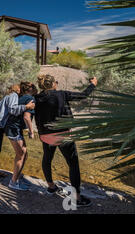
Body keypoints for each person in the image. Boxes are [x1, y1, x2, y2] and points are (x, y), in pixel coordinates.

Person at [35, 74, 97, 208]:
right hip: (62, 135)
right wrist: (93, 84)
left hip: (45, 135)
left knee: (47, 158)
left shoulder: (37, 98)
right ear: (53, 84)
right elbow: (83, 95)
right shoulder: (61, 94)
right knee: (73, 164)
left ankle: (51, 187)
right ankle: (77, 198)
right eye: (56, 82)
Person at [0, 84, 36, 184]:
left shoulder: (12, 95)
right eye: (21, 88)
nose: (22, 89)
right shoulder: (13, 96)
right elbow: (13, 110)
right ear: (17, 89)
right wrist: (27, 106)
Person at [4, 82, 38, 191]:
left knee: (24, 153)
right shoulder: (30, 98)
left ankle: (17, 177)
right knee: (21, 155)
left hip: (12, 127)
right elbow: (27, 117)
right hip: (14, 129)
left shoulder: (21, 96)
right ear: (31, 89)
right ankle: (13, 182)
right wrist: (31, 131)